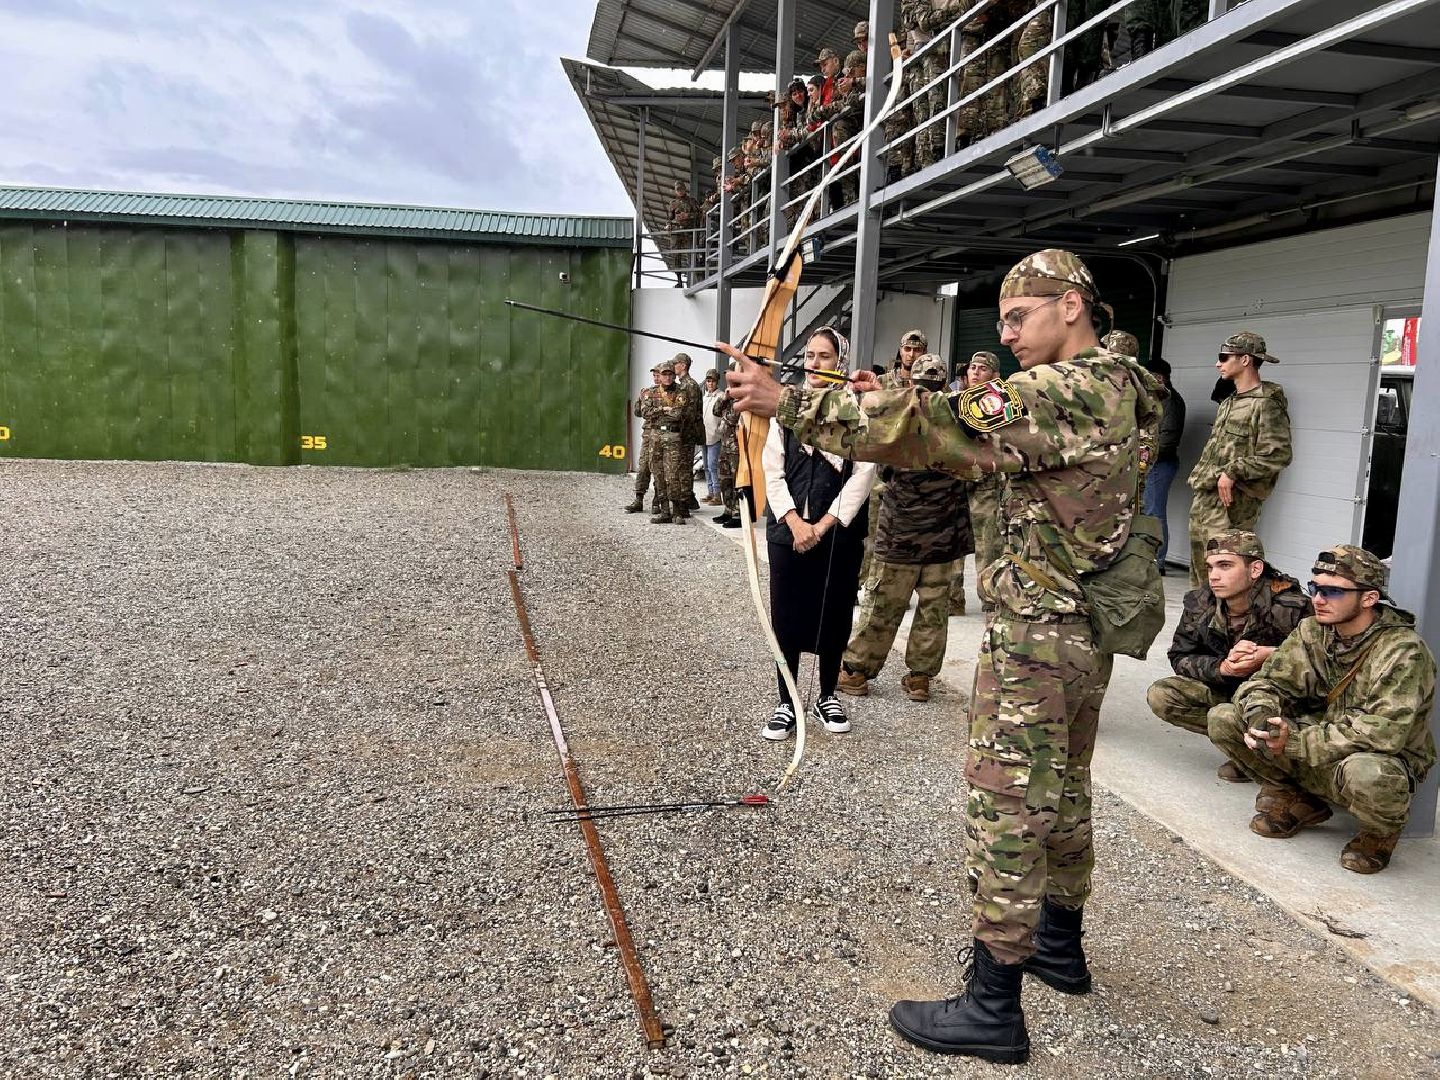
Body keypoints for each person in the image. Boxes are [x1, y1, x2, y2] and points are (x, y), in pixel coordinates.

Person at [723, 249, 1162, 1064]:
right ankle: (1059, 948)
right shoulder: (1124, 382)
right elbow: (968, 416)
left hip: (1037, 629)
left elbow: (941, 429)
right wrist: (879, 394)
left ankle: (993, 1004)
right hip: (1080, 625)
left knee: (1005, 803)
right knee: (1062, 789)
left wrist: (788, 400)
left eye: (1018, 316)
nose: (1007, 333)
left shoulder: (1067, 387)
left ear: (1071, 306)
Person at [1208, 545, 1436, 875]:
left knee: (1368, 774)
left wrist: (1294, 741)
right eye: (1315, 588)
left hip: (1374, 758)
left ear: (1369, 598)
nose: (1317, 599)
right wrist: (1263, 719)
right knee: (1224, 719)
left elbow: (1382, 732)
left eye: (1332, 591)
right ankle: (1298, 799)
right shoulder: (1313, 631)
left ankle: (1379, 834)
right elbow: (1266, 682)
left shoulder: (1403, 651)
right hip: (1320, 742)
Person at [758, 327, 876, 742]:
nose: (813, 363)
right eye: (809, 355)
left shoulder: (857, 411)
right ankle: (786, 700)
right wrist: (793, 521)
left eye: (824, 356)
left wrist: (823, 525)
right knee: (785, 616)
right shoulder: (784, 408)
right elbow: (771, 470)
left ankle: (827, 694)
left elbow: (863, 474)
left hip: (836, 534)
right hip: (788, 530)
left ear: (839, 362)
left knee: (835, 613)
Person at [838, 355, 970, 704]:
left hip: (903, 533)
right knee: (933, 609)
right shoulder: (960, 420)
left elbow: (881, 468)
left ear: (914, 384)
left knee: (883, 604)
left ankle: (856, 671)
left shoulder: (900, 418)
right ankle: (920, 678)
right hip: (946, 534)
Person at [1146, 530, 1308, 780]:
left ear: (1255, 569)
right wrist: (1222, 668)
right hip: (1230, 688)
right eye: (1210, 567)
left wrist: (1272, 656)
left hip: (1279, 700)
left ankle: (1281, 761)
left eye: (1225, 566)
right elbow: (1180, 655)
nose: (1214, 576)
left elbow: (1321, 663)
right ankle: (1245, 749)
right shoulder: (1200, 602)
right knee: (1163, 695)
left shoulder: (1291, 605)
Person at [1186, 331, 1292, 587]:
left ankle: (1223, 624)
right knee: (1201, 574)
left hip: (1233, 503)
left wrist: (1233, 471)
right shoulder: (1229, 402)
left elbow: (1278, 454)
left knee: (1225, 574)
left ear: (1245, 360)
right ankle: (1199, 624)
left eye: (1224, 357)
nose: (1218, 363)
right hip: (1206, 497)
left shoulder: (1266, 404)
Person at [961, 350, 1004, 614]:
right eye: (972, 367)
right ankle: (953, 599)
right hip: (957, 486)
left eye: (982, 368)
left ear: (995, 376)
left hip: (986, 489)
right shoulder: (955, 401)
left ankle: (989, 600)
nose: (975, 372)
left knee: (988, 548)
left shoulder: (999, 405)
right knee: (953, 548)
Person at [1141, 355, 1184, 573]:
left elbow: (1168, 440)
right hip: (1146, 464)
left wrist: (1145, 452)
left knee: (1154, 514)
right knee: (1144, 512)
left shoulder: (1171, 402)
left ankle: (1157, 562)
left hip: (1159, 465)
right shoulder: (1153, 398)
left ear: (1159, 377)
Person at [640, 360, 689, 524]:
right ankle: (664, 511)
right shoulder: (650, 392)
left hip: (673, 437)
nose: (668, 378)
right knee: (658, 474)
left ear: (674, 375)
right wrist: (663, 409)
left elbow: (678, 414)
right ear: (659, 376)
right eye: (664, 374)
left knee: (672, 475)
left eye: (670, 374)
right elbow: (645, 412)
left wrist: (664, 411)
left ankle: (677, 512)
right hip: (655, 436)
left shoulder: (681, 392)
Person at [624, 365, 662, 514]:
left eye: (658, 375)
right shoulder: (648, 392)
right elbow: (638, 413)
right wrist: (640, 400)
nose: (656, 378)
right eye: (654, 375)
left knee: (659, 469)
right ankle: (638, 499)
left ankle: (657, 501)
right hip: (648, 434)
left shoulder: (669, 393)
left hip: (661, 435)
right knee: (643, 467)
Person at [672, 353, 703, 513]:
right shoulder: (683, 384)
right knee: (682, 466)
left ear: (683, 365)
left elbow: (689, 413)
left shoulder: (689, 385)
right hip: (684, 432)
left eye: (675, 363)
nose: (673, 366)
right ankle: (689, 498)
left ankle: (685, 502)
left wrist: (678, 427)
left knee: (683, 467)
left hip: (687, 432)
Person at [713, 390, 743, 528]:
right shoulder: (728, 399)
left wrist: (724, 416)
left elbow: (733, 418)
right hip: (725, 445)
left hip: (737, 447)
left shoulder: (742, 398)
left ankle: (738, 514)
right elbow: (716, 411)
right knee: (724, 479)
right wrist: (724, 398)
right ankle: (728, 510)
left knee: (737, 481)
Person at [702, 370, 724, 505]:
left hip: (714, 436)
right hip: (704, 436)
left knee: (712, 465)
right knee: (706, 466)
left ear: (717, 382)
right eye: (708, 381)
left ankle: (717, 494)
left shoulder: (721, 396)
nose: (710, 383)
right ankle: (710, 492)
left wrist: (719, 431)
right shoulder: (704, 397)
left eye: (713, 381)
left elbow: (723, 416)